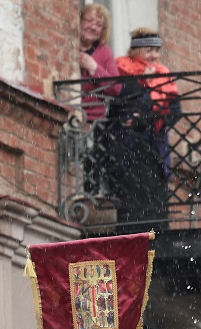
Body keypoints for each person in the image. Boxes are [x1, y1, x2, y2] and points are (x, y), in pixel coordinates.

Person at [106, 28, 181, 225]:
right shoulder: (122, 70)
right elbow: (123, 104)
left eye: (156, 50)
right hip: (128, 145)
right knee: (132, 201)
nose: (154, 56)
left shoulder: (162, 74)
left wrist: (150, 119)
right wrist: (146, 86)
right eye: (149, 50)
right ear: (136, 51)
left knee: (156, 199)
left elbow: (175, 109)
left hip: (156, 144)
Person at [77, 4, 121, 195]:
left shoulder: (104, 52)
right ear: (79, 21)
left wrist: (94, 68)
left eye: (99, 24)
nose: (93, 27)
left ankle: (89, 199)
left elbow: (116, 88)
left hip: (93, 122)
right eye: (89, 21)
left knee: (90, 166)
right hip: (69, 115)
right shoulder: (66, 45)